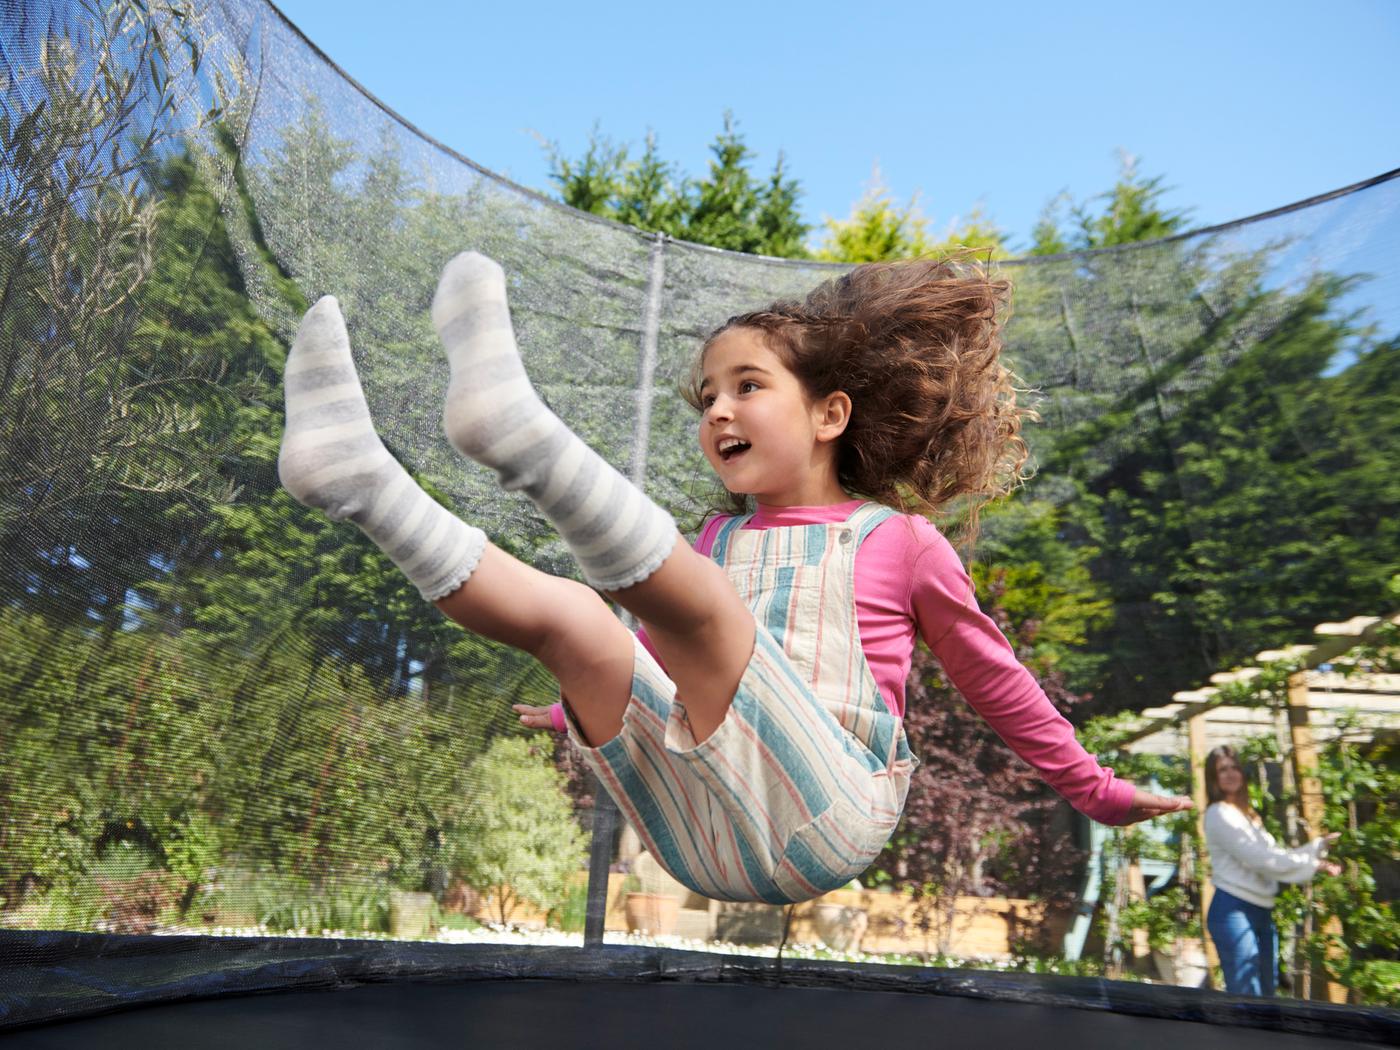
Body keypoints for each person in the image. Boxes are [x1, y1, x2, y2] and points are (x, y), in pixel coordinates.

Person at [278, 250, 1189, 906]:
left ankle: (519, 435)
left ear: (830, 413)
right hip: (694, 831)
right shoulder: (714, 539)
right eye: (707, 396)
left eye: (747, 386)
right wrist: (572, 704)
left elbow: (996, 679)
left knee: (702, 613)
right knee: (574, 622)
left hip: (827, 818)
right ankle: (356, 481)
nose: (718, 409)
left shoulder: (897, 541)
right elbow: (656, 654)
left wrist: (1095, 789)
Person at [1202, 745, 1341, 996]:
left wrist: (1318, 847)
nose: (1231, 773)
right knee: (1247, 994)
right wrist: (1312, 864)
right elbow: (1261, 860)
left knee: (1267, 992)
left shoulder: (1249, 816)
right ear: (1213, 778)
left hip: (1261, 909)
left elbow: (1274, 854)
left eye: (1234, 767)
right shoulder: (1218, 813)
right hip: (1233, 909)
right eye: (1222, 770)